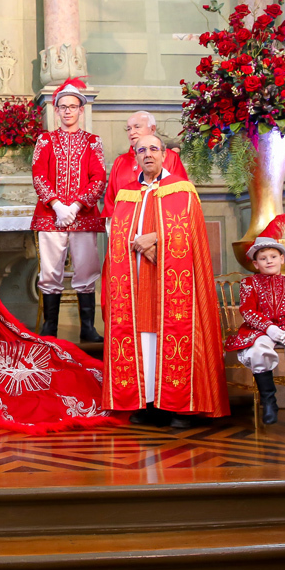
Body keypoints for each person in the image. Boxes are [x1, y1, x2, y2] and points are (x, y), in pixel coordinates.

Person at [102, 134, 229, 429]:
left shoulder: (181, 190)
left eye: (153, 149)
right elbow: (117, 237)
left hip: (170, 284)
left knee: (173, 336)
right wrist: (140, 244)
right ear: (136, 157)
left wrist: (156, 239)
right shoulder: (126, 194)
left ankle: (180, 407)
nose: (148, 154)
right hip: (135, 284)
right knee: (143, 341)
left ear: (164, 155)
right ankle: (149, 404)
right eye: (141, 150)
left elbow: (191, 234)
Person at [31, 78, 107, 342]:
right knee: (50, 272)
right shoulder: (45, 140)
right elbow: (38, 175)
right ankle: (50, 327)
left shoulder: (93, 141)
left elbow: (99, 177)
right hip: (50, 215)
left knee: (86, 270)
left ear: (81, 110)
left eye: (72, 107)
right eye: (63, 107)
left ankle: (87, 328)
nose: (67, 111)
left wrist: (75, 206)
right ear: (56, 110)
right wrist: (57, 205)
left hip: (83, 216)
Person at [225, 236, 285, 427]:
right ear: (256, 263)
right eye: (263, 258)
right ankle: (269, 400)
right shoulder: (249, 283)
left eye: (273, 257)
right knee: (259, 350)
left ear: (282, 259)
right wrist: (268, 327)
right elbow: (247, 310)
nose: (269, 261)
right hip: (259, 330)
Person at [105, 111, 188, 207]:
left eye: (137, 127)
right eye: (128, 129)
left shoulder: (170, 157)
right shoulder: (120, 161)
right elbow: (110, 200)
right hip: (126, 215)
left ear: (152, 129)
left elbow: (181, 192)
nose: (131, 132)